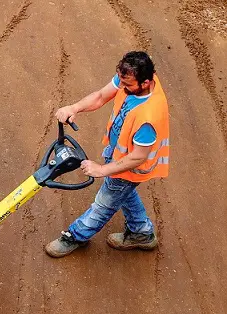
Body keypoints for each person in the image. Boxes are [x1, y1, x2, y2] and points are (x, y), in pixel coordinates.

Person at [45, 51, 169, 258]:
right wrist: (74, 108)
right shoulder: (129, 79)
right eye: (120, 81)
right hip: (118, 155)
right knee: (124, 193)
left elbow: (138, 157)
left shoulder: (149, 117)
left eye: (127, 86)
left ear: (146, 82)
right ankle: (142, 233)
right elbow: (102, 96)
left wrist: (102, 169)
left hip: (130, 166)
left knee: (104, 203)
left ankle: (75, 236)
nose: (121, 88)